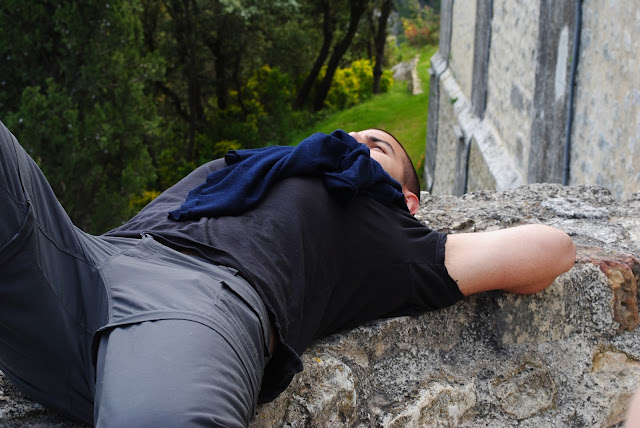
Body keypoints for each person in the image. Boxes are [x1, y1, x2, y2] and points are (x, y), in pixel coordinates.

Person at [0, 122, 576, 427]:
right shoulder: (250, 169)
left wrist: (419, 230)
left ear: (407, 200)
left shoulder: (391, 229)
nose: (350, 142)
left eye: (376, 146)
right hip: (91, 264)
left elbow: (552, 249)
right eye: (348, 134)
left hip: (195, 303)